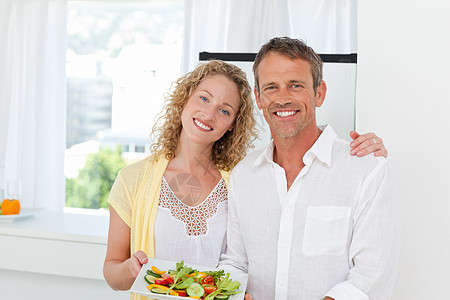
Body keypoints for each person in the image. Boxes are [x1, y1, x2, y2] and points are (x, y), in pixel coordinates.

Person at [102, 59, 389, 300]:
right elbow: (112, 271)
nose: (209, 113)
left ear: (232, 125)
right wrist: (129, 270)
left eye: (225, 110)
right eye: (203, 98)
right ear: (183, 100)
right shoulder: (133, 181)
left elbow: (240, 261)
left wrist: (366, 155)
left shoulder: (241, 177)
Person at [220, 37, 400, 300]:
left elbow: (372, 274)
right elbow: (235, 263)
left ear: (319, 92)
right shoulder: (243, 175)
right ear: (258, 98)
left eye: (295, 85)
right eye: (271, 87)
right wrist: (234, 293)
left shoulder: (366, 170)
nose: (282, 98)